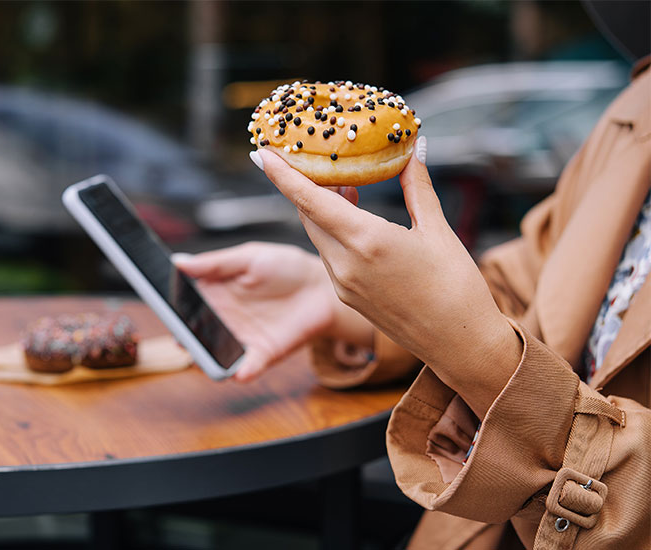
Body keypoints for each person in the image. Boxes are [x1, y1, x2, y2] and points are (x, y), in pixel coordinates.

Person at [173, 42, 650, 550]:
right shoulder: (636, 110)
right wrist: (347, 304)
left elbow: (491, 341)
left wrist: (480, 356)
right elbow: (527, 294)